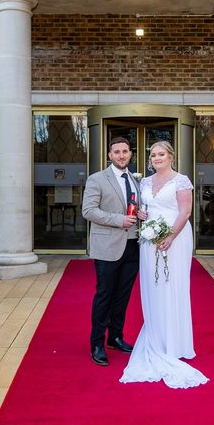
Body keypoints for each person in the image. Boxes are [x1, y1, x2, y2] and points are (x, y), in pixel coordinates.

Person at [120, 141, 208, 389]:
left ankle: (175, 341)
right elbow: (145, 208)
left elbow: (185, 212)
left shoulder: (181, 181)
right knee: (152, 285)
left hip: (175, 238)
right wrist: (142, 215)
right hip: (149, 238)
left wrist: (170, 237)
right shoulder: (145, 182)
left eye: (161, 154)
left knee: (172, 285)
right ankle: (157, 335)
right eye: (153, 155)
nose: (156, 158)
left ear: (171, 156)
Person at [82, 137, 140, 366]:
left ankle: (116, 337)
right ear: (109, 155)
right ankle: (97, 343)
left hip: (133, 245)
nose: (122, 155)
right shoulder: (97, 179)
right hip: (107, 247)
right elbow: (88, 210)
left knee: (123, 296)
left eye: (125, 151)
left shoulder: (135, 180)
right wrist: (119, 220)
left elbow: (133, 207)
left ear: (130, 154)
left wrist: (141, 215)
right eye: (117, 152)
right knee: (104, 296)